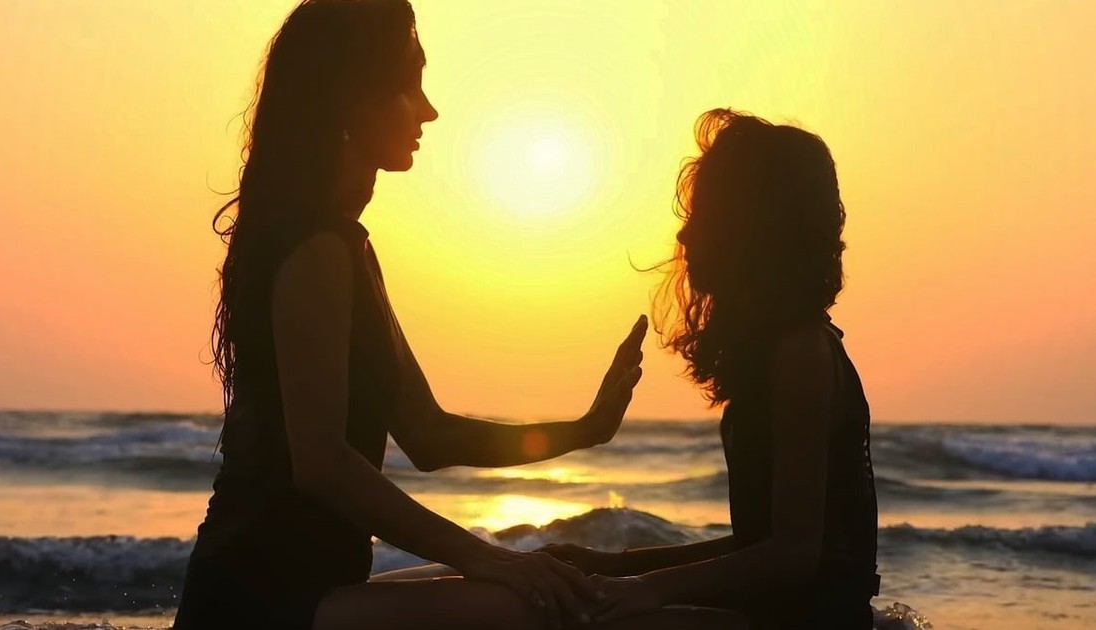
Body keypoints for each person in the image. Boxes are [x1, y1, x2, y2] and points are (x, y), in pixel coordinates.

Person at [170, 1, 663, 628]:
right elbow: (322, 465)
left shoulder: (344, 245)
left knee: (563, 570)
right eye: (409, 85)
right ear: (351, 100)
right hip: (261, 601)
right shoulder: (314, 249)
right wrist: (483, 556)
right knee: (540, 605)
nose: (428, 110)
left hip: (316, 589)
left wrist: (584, 430)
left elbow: (429, 436)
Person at [542, 110, 880, 629]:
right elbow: (759, 543)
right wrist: (611, 566)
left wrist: (642, 588)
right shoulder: (781, 349)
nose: (684, 236)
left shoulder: (801, 357)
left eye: (704, 217)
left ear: (751, 231)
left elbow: (794, 555)